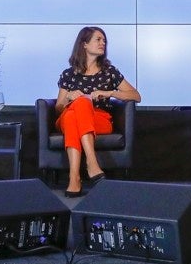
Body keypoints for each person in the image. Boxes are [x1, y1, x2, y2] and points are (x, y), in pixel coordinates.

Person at [54, 27, 142, 197]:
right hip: (66, 118)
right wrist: (69, 97)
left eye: (104, 40)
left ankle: (74, 178)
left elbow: (136, 96)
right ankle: (91, 164)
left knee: (76, 114)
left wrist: (109, 92)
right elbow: (58, 107)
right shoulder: (69, 74)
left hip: (99, 120)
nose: (103, 43)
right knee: (76, 108)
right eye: (98, 39)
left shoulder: (109, 72)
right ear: (84, 44)